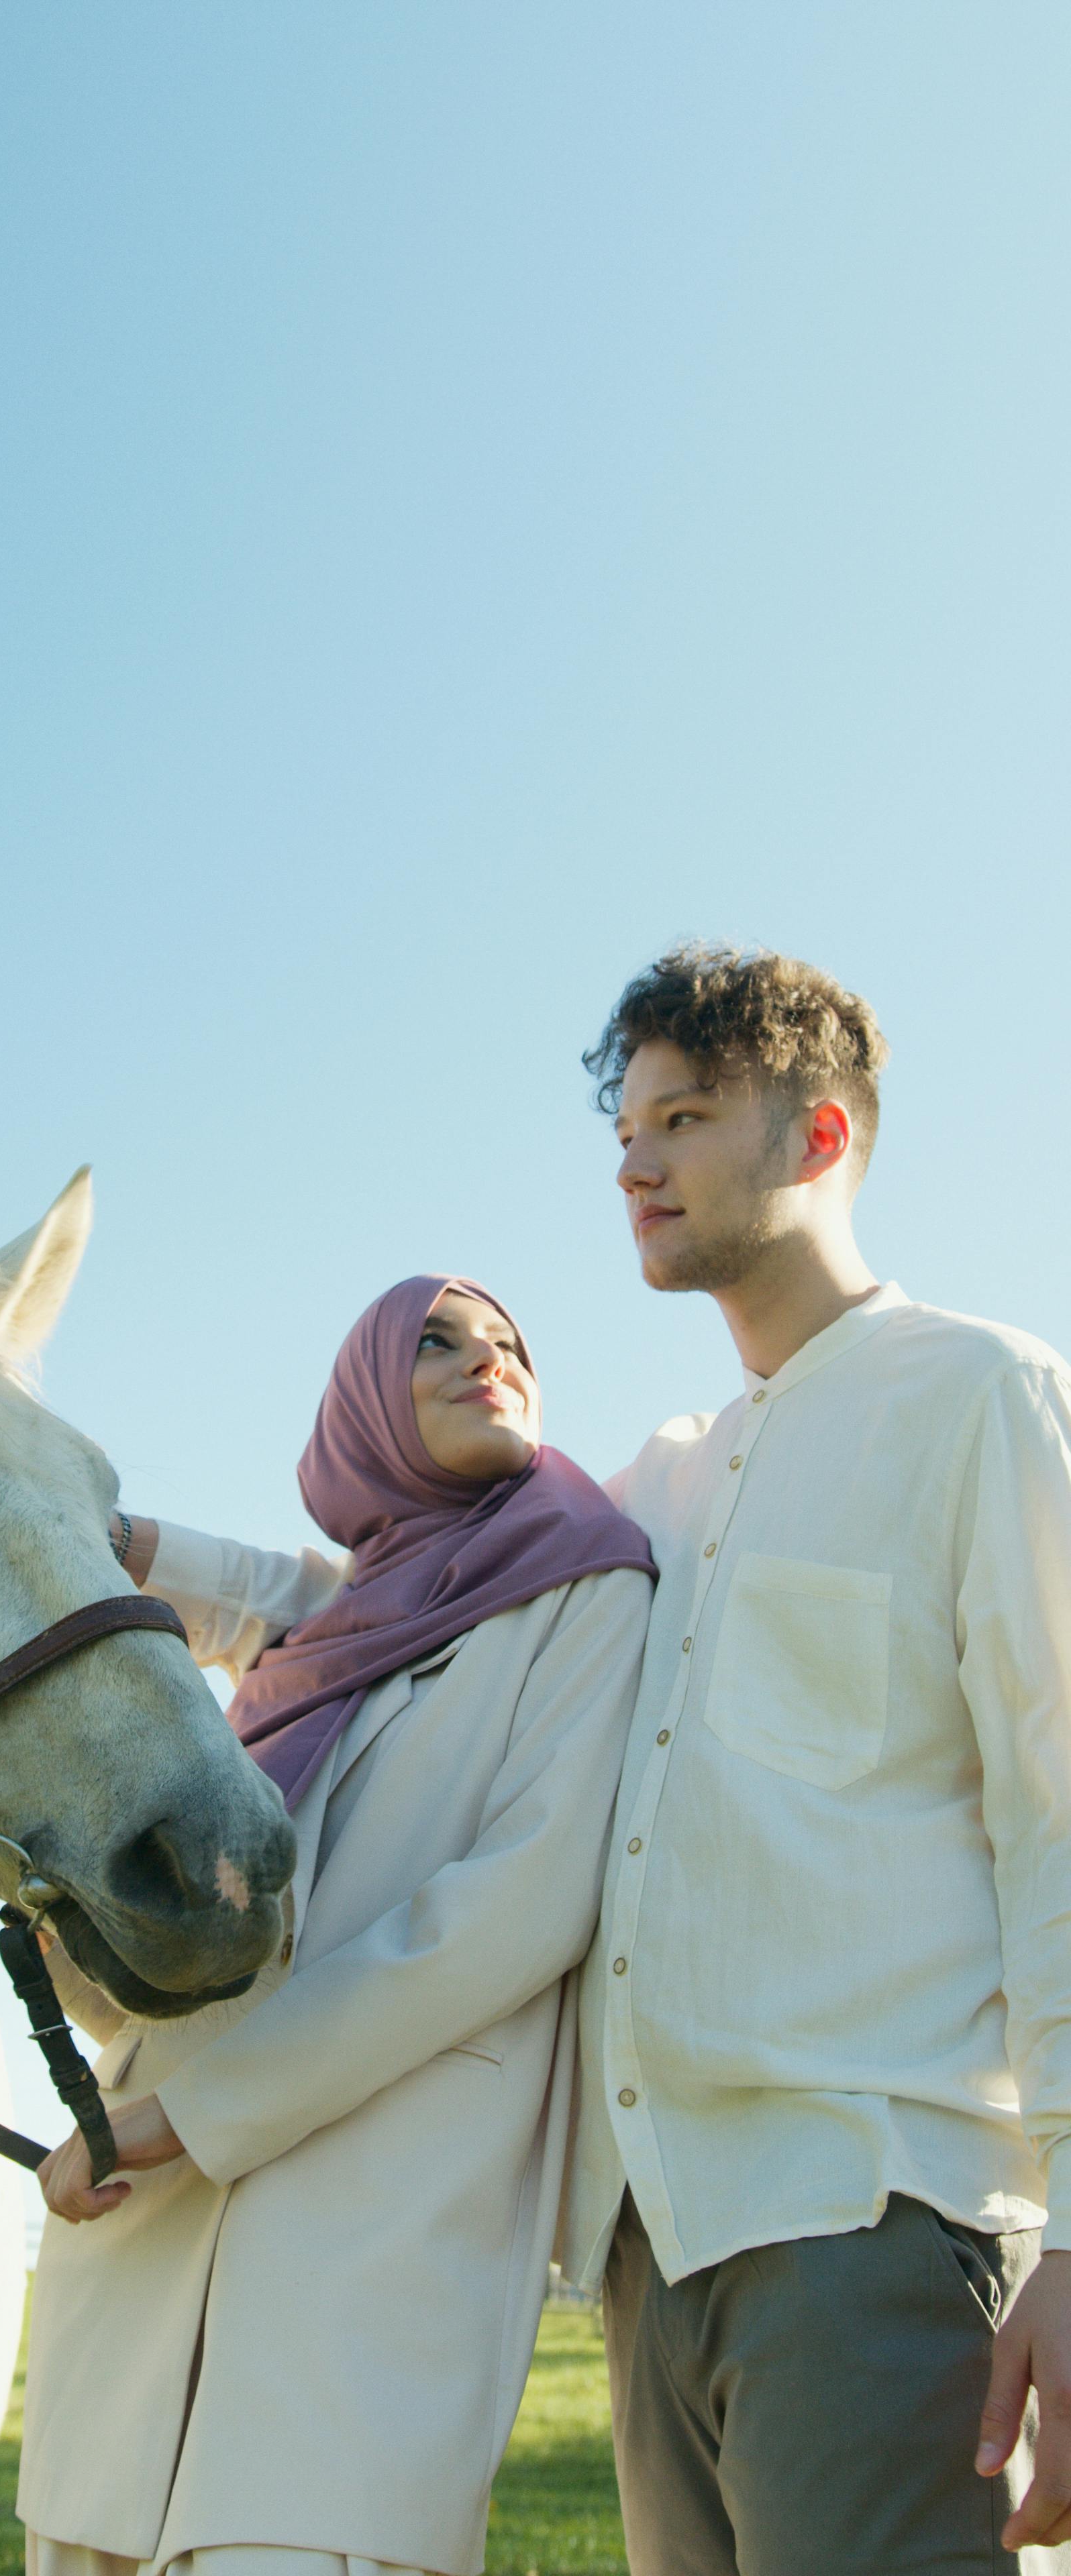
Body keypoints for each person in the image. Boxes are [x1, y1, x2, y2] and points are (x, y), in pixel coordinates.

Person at [16, 1274, 656, 2576]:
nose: (491, 1359)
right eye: (437, 1340)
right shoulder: (343, 1637)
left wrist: (185, 2122)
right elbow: (278, 1599)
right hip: (132, 2260)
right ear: (365, 1402)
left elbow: (512, 1915)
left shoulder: (587, 1586)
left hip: (356, 2281)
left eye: (512, 1342)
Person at [562, 943, 1071, 2573]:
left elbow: (1063, 1816)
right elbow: (394, 1596)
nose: (635, 1161)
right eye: (626, 1126)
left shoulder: (983, 1397)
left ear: (823, 1137)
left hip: (877, 2245)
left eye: (687, 1116)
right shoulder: (659, 1481)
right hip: (656, 2269)